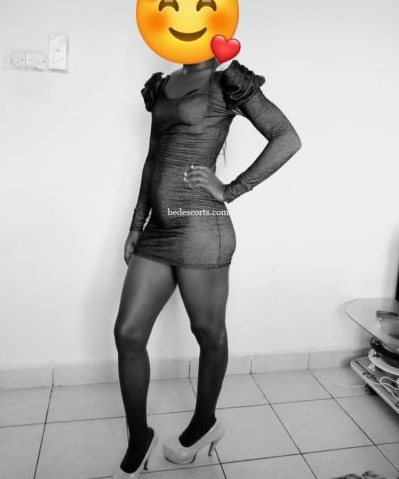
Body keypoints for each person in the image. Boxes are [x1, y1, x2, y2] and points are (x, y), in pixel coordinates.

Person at [112, 57, 302, 478]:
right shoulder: (163, 85)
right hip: (158, 231)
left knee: (209, 334)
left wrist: (230, 190)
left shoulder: (226, 83)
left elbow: (286, 138)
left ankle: (204, 423)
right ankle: (139, 437)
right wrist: (136, 224)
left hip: (201, 229)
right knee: (128, 333)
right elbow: (152, 160)